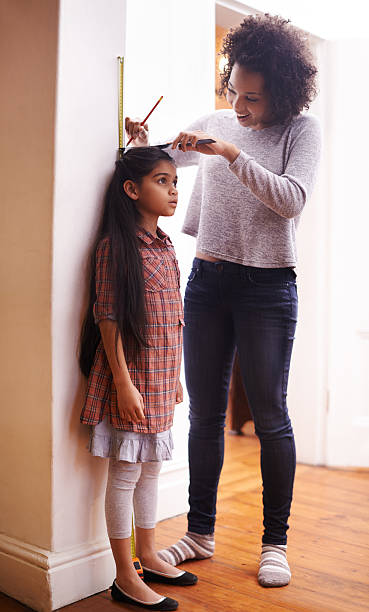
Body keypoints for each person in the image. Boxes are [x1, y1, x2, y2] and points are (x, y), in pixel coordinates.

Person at [125, 14, 321, 588]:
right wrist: (143, 140)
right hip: (208, 283)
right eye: (234, 90)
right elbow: (162, 163)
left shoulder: (300, 131)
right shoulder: (215, 119)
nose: (239, 105)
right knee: (206, 415)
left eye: (252, 97)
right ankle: (200, 532)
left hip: (268, 288)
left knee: (270, 416)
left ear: (281, 91)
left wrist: (232, 153)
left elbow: (291, 200)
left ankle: (274, 543)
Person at [79, 147, 198, 611]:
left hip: (163, 376)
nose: (173, 190)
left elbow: (174, 319)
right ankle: (124, 576)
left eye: (174, 182)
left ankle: (149, 554)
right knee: (126, 471)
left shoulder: (166, 245)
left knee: (151, 469)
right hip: (132, 381)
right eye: (162, 182)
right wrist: (124, 384)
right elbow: (107, 319)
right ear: (132, 190)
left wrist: (177, 377)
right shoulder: (116, 248)